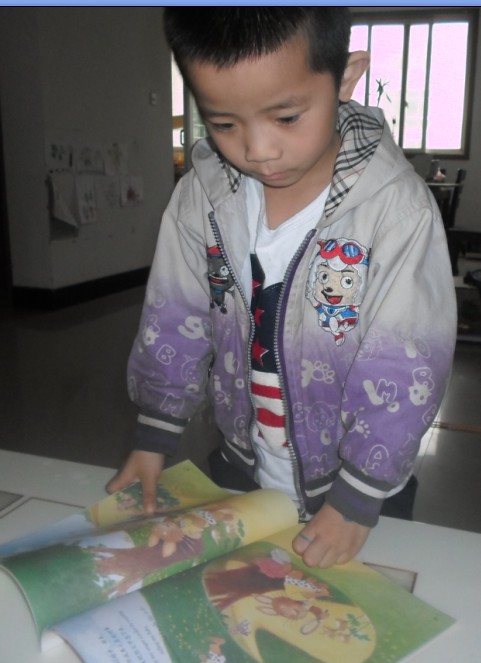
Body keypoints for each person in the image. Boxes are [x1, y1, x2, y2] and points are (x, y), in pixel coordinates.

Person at [107, 7, 457, 568]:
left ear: (345, 78)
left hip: (356, 491)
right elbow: (174, 317)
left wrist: (358, 496)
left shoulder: (395, 211)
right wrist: (154, 436)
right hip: (239, 466)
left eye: (287, 117)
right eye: (224, 124)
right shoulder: (202, 198)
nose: (258, 150)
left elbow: (406, 363)